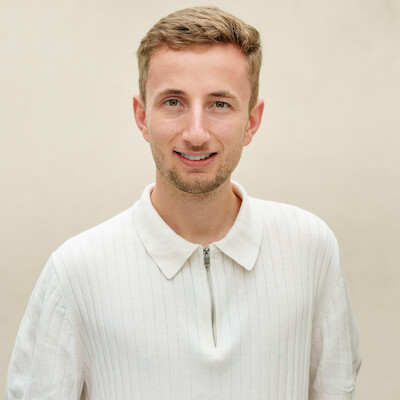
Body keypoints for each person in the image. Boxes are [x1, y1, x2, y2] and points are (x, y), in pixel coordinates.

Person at [6, 6, 361, 400]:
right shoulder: (74, 274)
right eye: (173, 102)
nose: (196, 133)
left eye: (219, 104)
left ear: (252, 121)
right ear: (141, 116)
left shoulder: (312, 250)